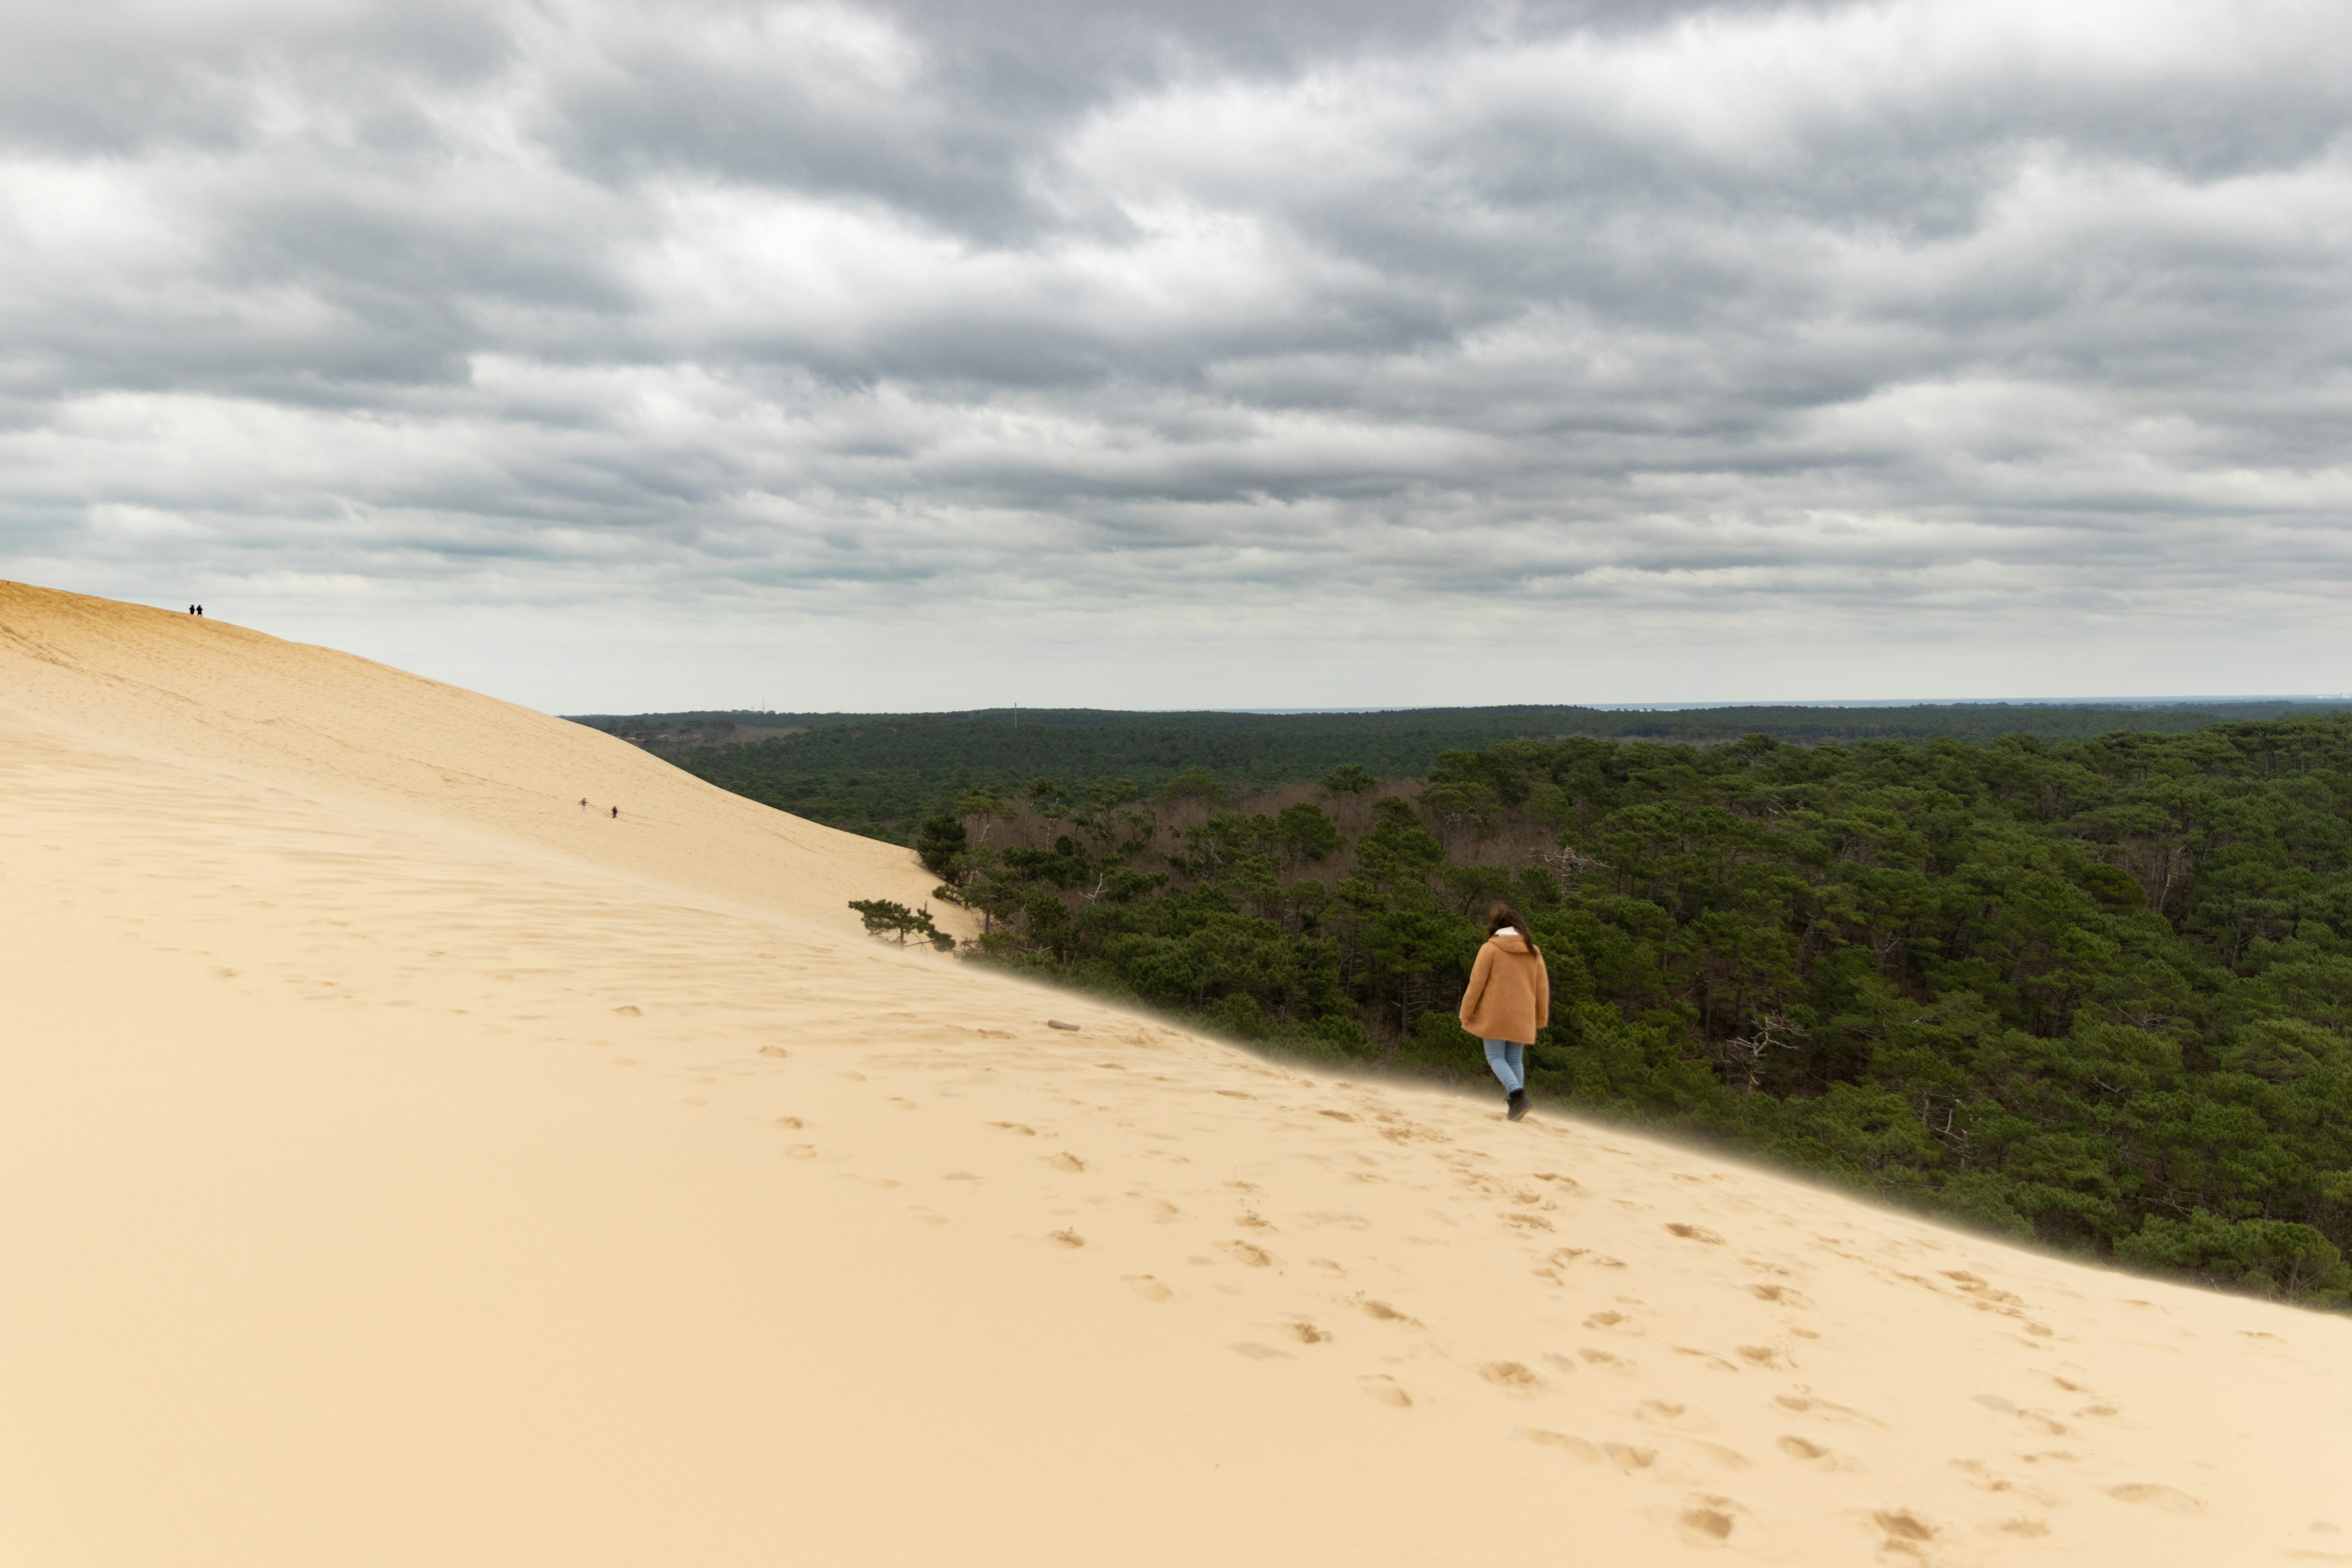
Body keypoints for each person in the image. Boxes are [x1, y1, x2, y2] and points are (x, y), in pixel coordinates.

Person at [1458, 903, 1550, 1121]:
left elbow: (1476, 984)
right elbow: (1542, 988)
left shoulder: (1490, 949)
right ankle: (1516, 1105)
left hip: (1495, 1014)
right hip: (1523, 1015)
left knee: (1495, 1056)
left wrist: (1466, 1012)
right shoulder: (1534, 951)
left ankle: (1517, 1097)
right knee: (1514, 1059)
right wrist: (1540, 1018)